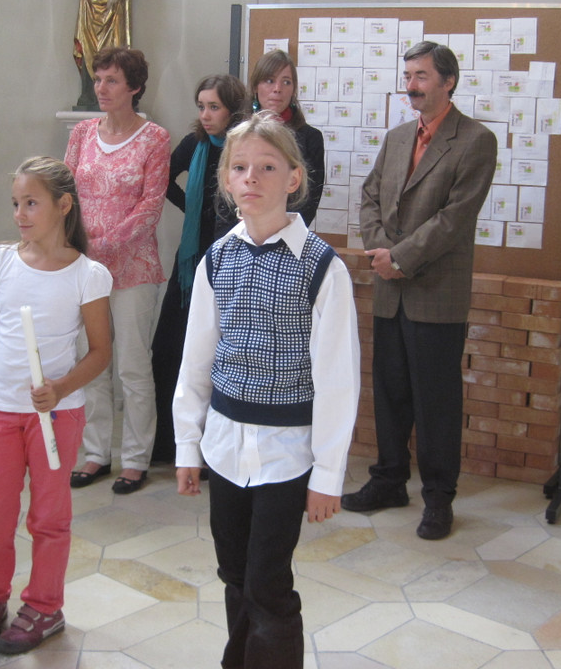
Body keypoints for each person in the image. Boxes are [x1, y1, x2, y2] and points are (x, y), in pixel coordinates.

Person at [174, 112, 359, 669]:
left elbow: (338, 381)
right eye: (239, 168)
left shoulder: (322, 268)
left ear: (294, 178)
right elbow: (196, 361)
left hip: (287, 453)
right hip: (224, 446)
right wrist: (187, 445)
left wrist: (327, 474)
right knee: (234, 573)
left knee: (267, 583)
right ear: (226, 180)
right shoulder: (218, 260)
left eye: (267, 167)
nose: (251, 177)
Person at [0, 157, 112, 654]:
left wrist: (61, 387)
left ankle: (45, 607)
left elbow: (101, 352)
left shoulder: (88, 274)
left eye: (31, 203)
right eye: (15, 203)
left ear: (63, 205)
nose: (20, 214)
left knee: (48, 517)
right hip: (1, 412)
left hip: (57, 415)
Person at [341, 41, 497, 541]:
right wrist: (380, 250)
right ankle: (389, 481)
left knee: (436, 403)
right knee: (389, 394)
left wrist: (400, 257)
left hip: (435, 292)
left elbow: (455, 218)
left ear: (448, 81)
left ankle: (438, 498)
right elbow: (369, 196)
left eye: (422, 75)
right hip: (390, 291)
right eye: (408, 75)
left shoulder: (476, 140)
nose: (411, 85)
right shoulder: (397, 138)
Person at [65, 46, 170, 493]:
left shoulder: (155, 138)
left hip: (133, 269)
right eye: (98, 78)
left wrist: (103, 246)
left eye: (111, 80)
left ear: (135, 87)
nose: (101, 88)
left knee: (132, 365)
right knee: (90, 361)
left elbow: (151, 206)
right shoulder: (82, 133)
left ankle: (135, 459)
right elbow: (64, 192)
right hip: (83, 270)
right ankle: (96, 454)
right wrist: (73, 247)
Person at [150, 74, 248, 463]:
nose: (206, 115)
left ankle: (212, 447)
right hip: (192, 259)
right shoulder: (195, 143)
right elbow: (163, 179)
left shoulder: (243, 147)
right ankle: (167, 442)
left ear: (232, 110)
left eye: (214, 107)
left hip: (231, 259)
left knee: (216, 352)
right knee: (168, 346)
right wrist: (194, 209)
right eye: (201, 106)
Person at [248, 49, 325, 223]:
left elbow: (308, 202)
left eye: (286, 82)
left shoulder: (310, 138)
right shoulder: (238, 135)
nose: (277, 89)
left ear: (293, 90)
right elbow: (226, 197)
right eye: (269, 81)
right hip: (241, 230)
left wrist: (275, 230)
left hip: (287, 231)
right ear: (255, 87)